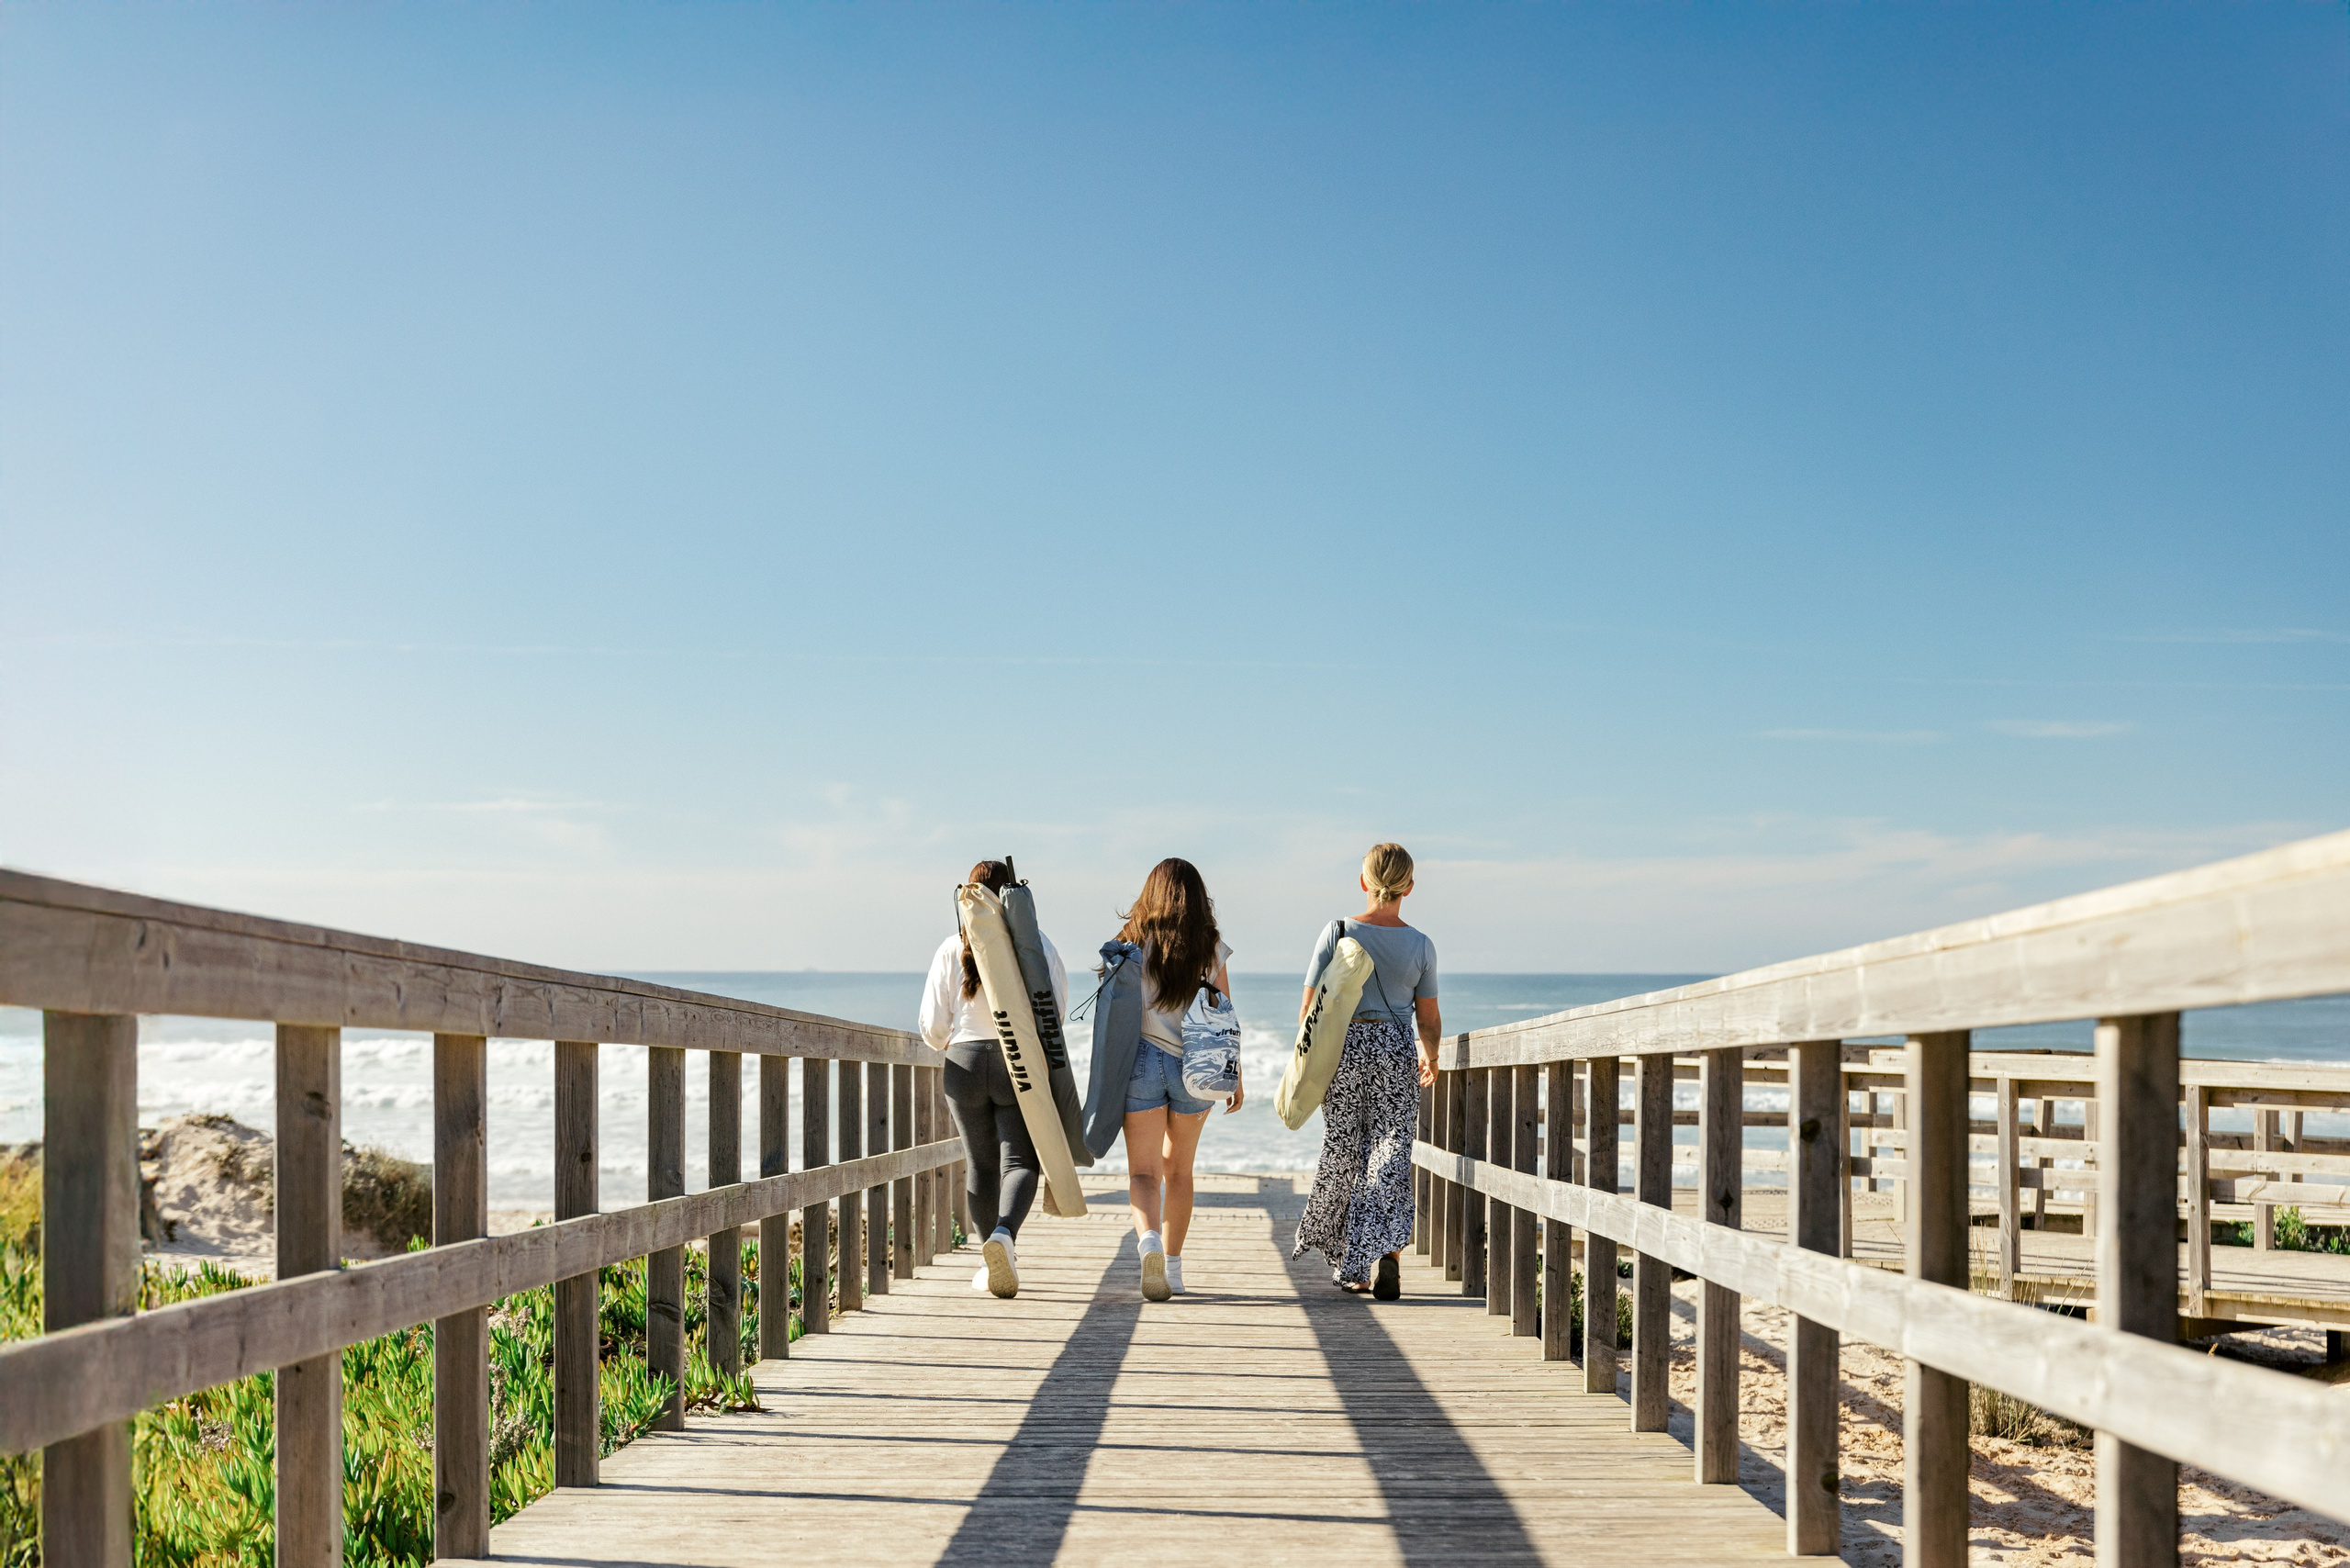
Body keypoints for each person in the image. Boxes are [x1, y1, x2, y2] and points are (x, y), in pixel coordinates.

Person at [1292, 842, 1439, 1301]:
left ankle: (1352, 1266)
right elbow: (1429, 1018)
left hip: (1343, 1048)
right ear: (1409, 888)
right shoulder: (1420, 945)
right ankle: (1389, 1257)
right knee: (1390, 1152)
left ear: (1364, 882)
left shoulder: (1336, 932)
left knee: (1344, 1148)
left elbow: (1309, 1013)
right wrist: (1429, 1055)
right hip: (1395, 1048)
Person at [920, 858, 1068, 1299]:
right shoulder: (1037, 944)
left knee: (980, 1165)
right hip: (1014, 1059)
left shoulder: (952, 946)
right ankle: (1004, 1236)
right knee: (1020, 1162)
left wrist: (955, 1039)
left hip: (963, 1063)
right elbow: (1053, 1012)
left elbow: (932, 1028)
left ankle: (989, 1265)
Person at [1113, 857, 1242, 1301]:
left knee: (1144, 1172)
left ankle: (1147, 1241)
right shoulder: (1210, 946)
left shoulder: (1131, 942)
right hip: (1198, 1066)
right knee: (1179, 1171)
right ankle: (1173, 1266)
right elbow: (1224, 1012)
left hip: (1144, 1062)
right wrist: (1234, 1074)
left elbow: (1113, 1008)